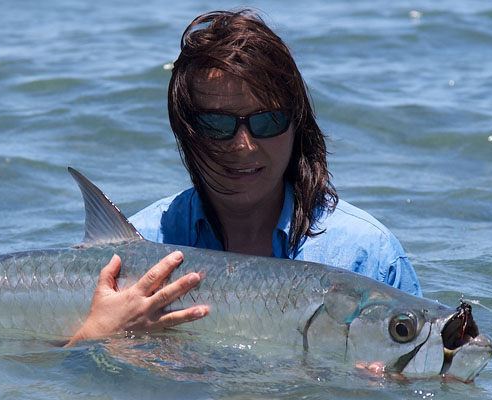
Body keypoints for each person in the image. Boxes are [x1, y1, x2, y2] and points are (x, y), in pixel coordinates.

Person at [67, 9, 420, 345]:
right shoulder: (139, 246)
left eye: (267, 121)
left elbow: (432, 386)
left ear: (297, 124)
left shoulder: (368, 255)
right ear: (186, 131)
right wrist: (98, 336)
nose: (245, 146)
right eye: (217, 125)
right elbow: (38, 384)